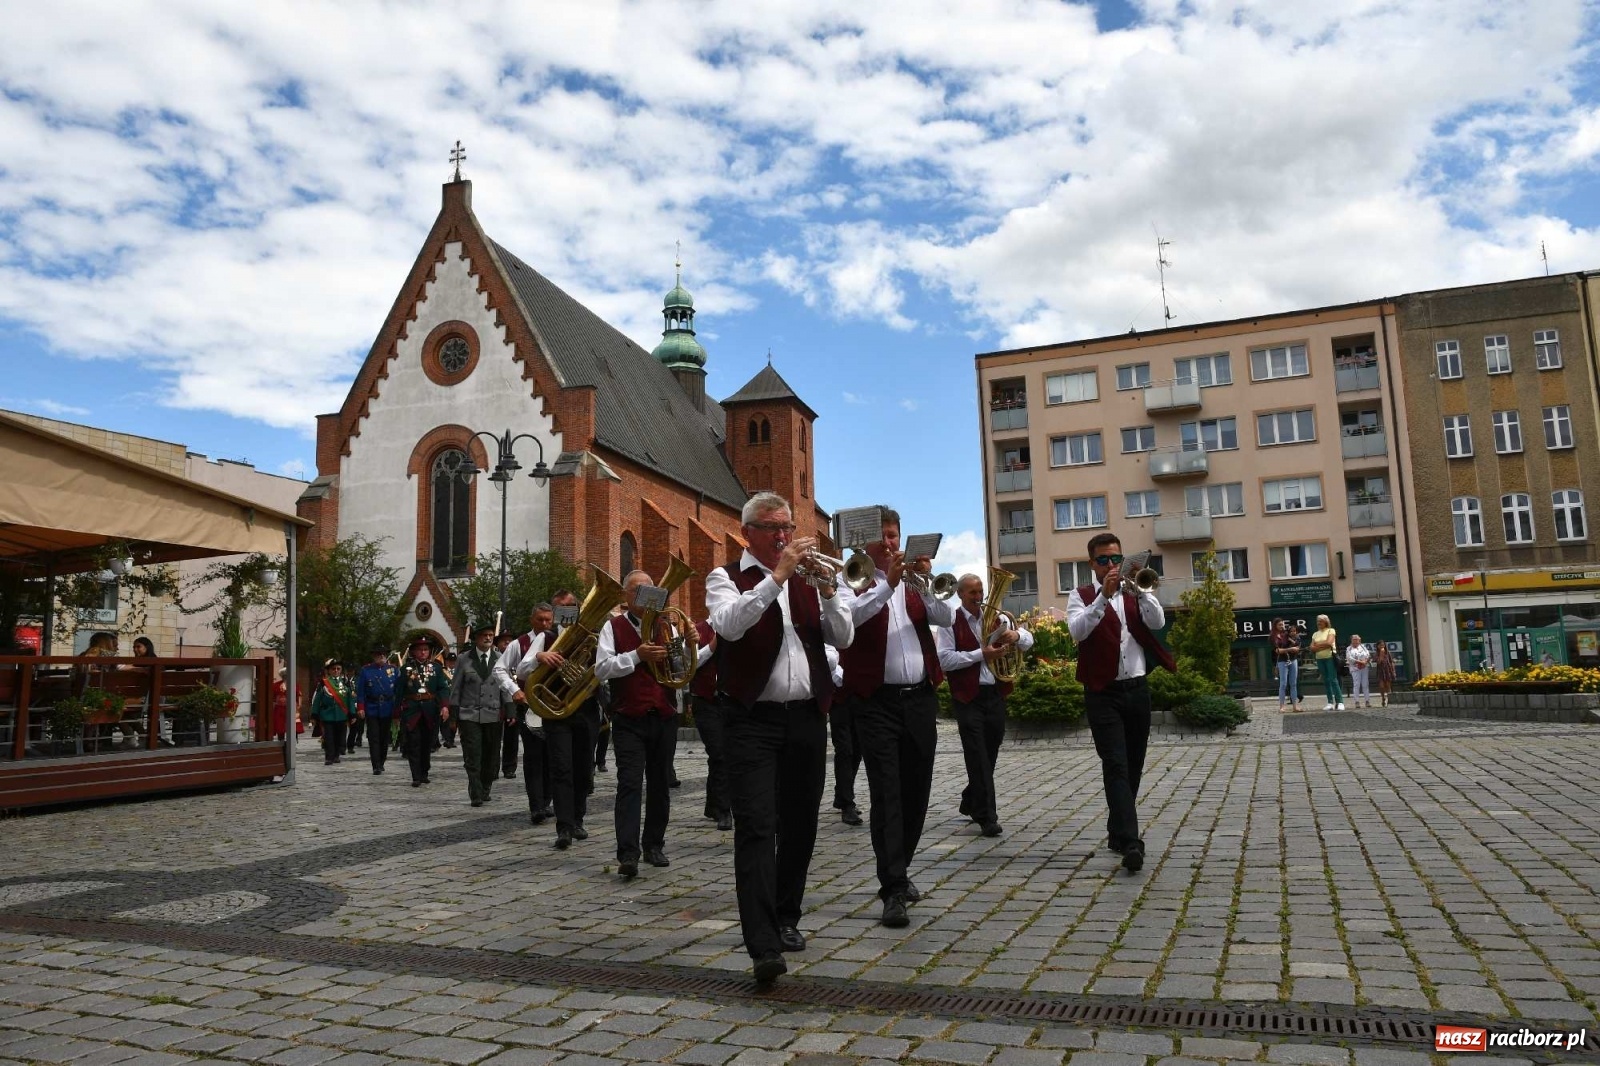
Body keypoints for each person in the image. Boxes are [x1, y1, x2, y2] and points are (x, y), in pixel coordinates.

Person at [707, 491, 855, 987]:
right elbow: (728, 627)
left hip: (807, 717)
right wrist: (777, 578)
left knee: (800, 823)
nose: (783, 536)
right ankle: (763, 944)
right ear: (747, 532)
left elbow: (843, 638)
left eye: (788, 527)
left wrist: (831, 590)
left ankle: (787, 914)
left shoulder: (811, 582)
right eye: (772, 528)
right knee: (755, 825)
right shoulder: (726, 578)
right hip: (750, 719)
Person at [840, 508, 953, 928]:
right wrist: (887, 585)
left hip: (921, 699)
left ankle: (899, 871)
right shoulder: (851, 578)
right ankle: (892, 886)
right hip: (875, 702)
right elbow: (848, 622)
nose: (889, 544)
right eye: (883, 538)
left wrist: (922, 584)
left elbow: (946, 618)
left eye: (894, 537)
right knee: (887, 793)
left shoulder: (914, 583)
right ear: (865, 542)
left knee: (916, 792)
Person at [1067, 533, 1173, 875]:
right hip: (1102, 692)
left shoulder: (1136, 592)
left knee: (1133, 764)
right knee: (1115, 764)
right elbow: (1078, 631)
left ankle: (1117, 831)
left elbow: (1157, 623)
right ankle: (1131, 841)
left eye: (1116, 558)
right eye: (1103, 560)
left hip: (1137, 688)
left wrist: (1142, 591)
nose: (1111, 565)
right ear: (1092, 564)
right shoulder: (1081, 596)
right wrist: (1102, 597)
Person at [936, 572, 1033, 838]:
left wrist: (1016, 636)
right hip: (967, 697)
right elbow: (944, 659)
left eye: (980, 592)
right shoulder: (949, 620)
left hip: (995, 695)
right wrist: (982, 654)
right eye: (972, 593)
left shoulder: (998, 619)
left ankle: (971, 798)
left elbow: (1029, 640)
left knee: (989, 753)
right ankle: (987, 816)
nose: (978, 598)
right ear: (960, 594)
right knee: (977, 755)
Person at [595, 570, 679, 878]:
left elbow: (681, 669)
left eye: (650, 591)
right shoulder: (612, 626)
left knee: (660, 785)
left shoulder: (666, 625)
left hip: (664, 715)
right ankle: (627, 853)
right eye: (638, 591)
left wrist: (691, 645)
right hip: (629, 717)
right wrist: (636, 655)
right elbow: (602, 669)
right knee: (629, 784)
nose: (646, 597)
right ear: (626, 597)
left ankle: (654, 845)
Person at [502, 591, 593, 844]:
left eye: (572, 606)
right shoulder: (546, 637)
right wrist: (539, 657)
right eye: (562, 608)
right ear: (554, 613)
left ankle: (578, 819)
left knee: (584, 771)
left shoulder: (590, 635)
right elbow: (520, 669)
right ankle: (564, 827)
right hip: (557, 711)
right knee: (562, 767)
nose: (568, 611)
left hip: (585, 709)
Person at [451, 624, 505, 807]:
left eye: (490, 635)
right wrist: (454, 714)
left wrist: (510, 709)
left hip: (492, 713)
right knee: (473, 755)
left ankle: (485, 786)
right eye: (484, 635)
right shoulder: (464, 659)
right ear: (476, 638)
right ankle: (475, 791)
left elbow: (505, 686)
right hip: (470, 714)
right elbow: (456, 688)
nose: (488, 638)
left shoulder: (499, 658)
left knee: (491, 756)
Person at [688, 620, 729, 830]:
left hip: (730, 700)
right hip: (705, 701)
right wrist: (712, 646)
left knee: (722, 756)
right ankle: (724, 810)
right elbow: (689, 665)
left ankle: (713, 805)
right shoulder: (697, 629)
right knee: (719, 752)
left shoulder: (739, 625)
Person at [397, 637, 450, 787]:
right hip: (412, 710)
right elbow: (399, 691)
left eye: (426, 649)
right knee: (414, 743)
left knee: (428, 743)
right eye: (420, 649)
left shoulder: (436, 668)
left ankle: (425, 771)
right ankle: (416, 775)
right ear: (413, 652)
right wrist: (396, 713)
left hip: (430, 709)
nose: (423, 652)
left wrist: (445, 706)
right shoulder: (405, 669)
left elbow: (443, 688)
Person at [355, 645, 399, 774]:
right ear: (373, 656)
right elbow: (361, 691)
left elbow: (397, 691)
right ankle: (376, 765)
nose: (381, 657)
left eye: (383, 655)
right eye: (378, 655)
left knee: (384, 737)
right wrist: (361, 707)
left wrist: (397, 709)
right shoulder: (366, 671)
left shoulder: (393, 670)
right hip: (372, 707)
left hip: (387, 706)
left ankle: (382, 760)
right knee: (373, 737)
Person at [310, 659, 353, 764]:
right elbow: (317, 700)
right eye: (333, 669)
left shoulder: (346, 683)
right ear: (329, 671)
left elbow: (349, 700)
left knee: (340, 737)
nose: (336, 671)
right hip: (327, 715)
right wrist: (314, 714)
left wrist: (352, 714)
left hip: (341, 715)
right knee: (329, 737)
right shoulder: (324, 683)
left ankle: (336, 755)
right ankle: (329, 757)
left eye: (338, 669)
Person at [495, 631, 520, 778]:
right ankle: (493, 766)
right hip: (496, 703)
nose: (507, 643)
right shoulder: (494, 660)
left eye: (510, 640)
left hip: (514, 702)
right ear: (497, 644)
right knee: (494, 738)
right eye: (503, 641)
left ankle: (509, 767)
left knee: (512, 737)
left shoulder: (518, 660)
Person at [1311, 614, 1345, 711]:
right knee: (1326, 681)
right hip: (1319, 659)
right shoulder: (1315, 634)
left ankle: (1340, 702)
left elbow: (1329, 643)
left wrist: (1317, 645)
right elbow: (1311, 647)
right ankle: (1330, 702)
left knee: (1333, 679)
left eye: (1320, 621)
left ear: (1326, 622)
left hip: (1329, 657)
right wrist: (1322, 645)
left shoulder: (1331, 630)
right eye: (1318, 621)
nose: (1318, 623)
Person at [1272, 619, 1302, 711]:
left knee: (1293, 683)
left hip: (1293, 660)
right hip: (1282, 661)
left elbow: (1297, 644)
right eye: (1280, 625)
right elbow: (1278, 651)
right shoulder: (1274, 637)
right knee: (1283, 684)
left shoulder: (1288, 634)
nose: (1282, 626)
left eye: (1283, 624)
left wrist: (1296, 647)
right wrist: (1291, 649)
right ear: (1275, 626)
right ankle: (1282, 706)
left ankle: (1295, 706)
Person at [438, 651, 459, 749]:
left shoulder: (459, 672)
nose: (452, 663)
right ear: (446, 662)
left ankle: (451, 739)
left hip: (456, 700)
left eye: (454, 661)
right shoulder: (442, 672)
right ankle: (447, 739)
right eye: (450, 661)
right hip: (445, 700)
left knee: (454, 721)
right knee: (445, 721)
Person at [1346, 634, 1372, 708]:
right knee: (1356, 684)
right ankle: (1356, 701)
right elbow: (1349, 658)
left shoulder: (1363, 647)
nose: (1356, 641)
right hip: (1355, 669)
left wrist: (1365, 661)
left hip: (1364, 668)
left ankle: (1367, 701)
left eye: (1357, 640)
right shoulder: (1349, 648)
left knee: (1365, 684)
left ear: (1359, 640)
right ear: (1351, 640)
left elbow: (1368, 655)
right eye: (1354, 640)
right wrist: (1360, 662)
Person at [1374, 642, 1395, 706]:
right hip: (1380, 671)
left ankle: (1390, 700)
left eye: (1383, 645)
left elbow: (1391, 662)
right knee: (1382, 686)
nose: (1381, 646)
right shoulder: (1376, 654)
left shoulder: (1388, 653)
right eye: (1380, 645)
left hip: (1387, 670)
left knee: (1388, 686)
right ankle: (1383, 698)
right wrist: (1381, 654)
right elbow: (1378, 662)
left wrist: (1393, 671)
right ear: (1377, 646)